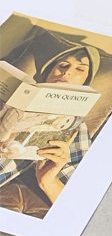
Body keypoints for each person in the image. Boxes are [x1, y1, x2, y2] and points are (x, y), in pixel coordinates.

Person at [0, 44, 100, 208]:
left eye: (80, 69)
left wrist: (48, 182)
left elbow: (76, 206)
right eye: (63, 65)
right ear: (48, 72)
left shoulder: (74, 127)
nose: (66, 72)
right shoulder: (13, 93)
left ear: (85, 82)